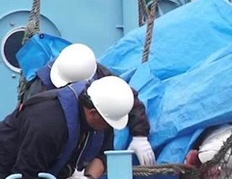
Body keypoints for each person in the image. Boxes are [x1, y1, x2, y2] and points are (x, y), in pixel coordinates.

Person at [21, 43, 156, 166]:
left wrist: (140, 135)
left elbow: (127, 98)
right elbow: (30, 126)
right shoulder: (41, 88)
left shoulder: (101, 78)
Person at [0, 76, 135, 179]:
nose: (109, 127)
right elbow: (24, 178)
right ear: (93, 113)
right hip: (9, 171)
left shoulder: (104, 115)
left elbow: (103, 154)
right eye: (107, 123)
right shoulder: (47, 124)